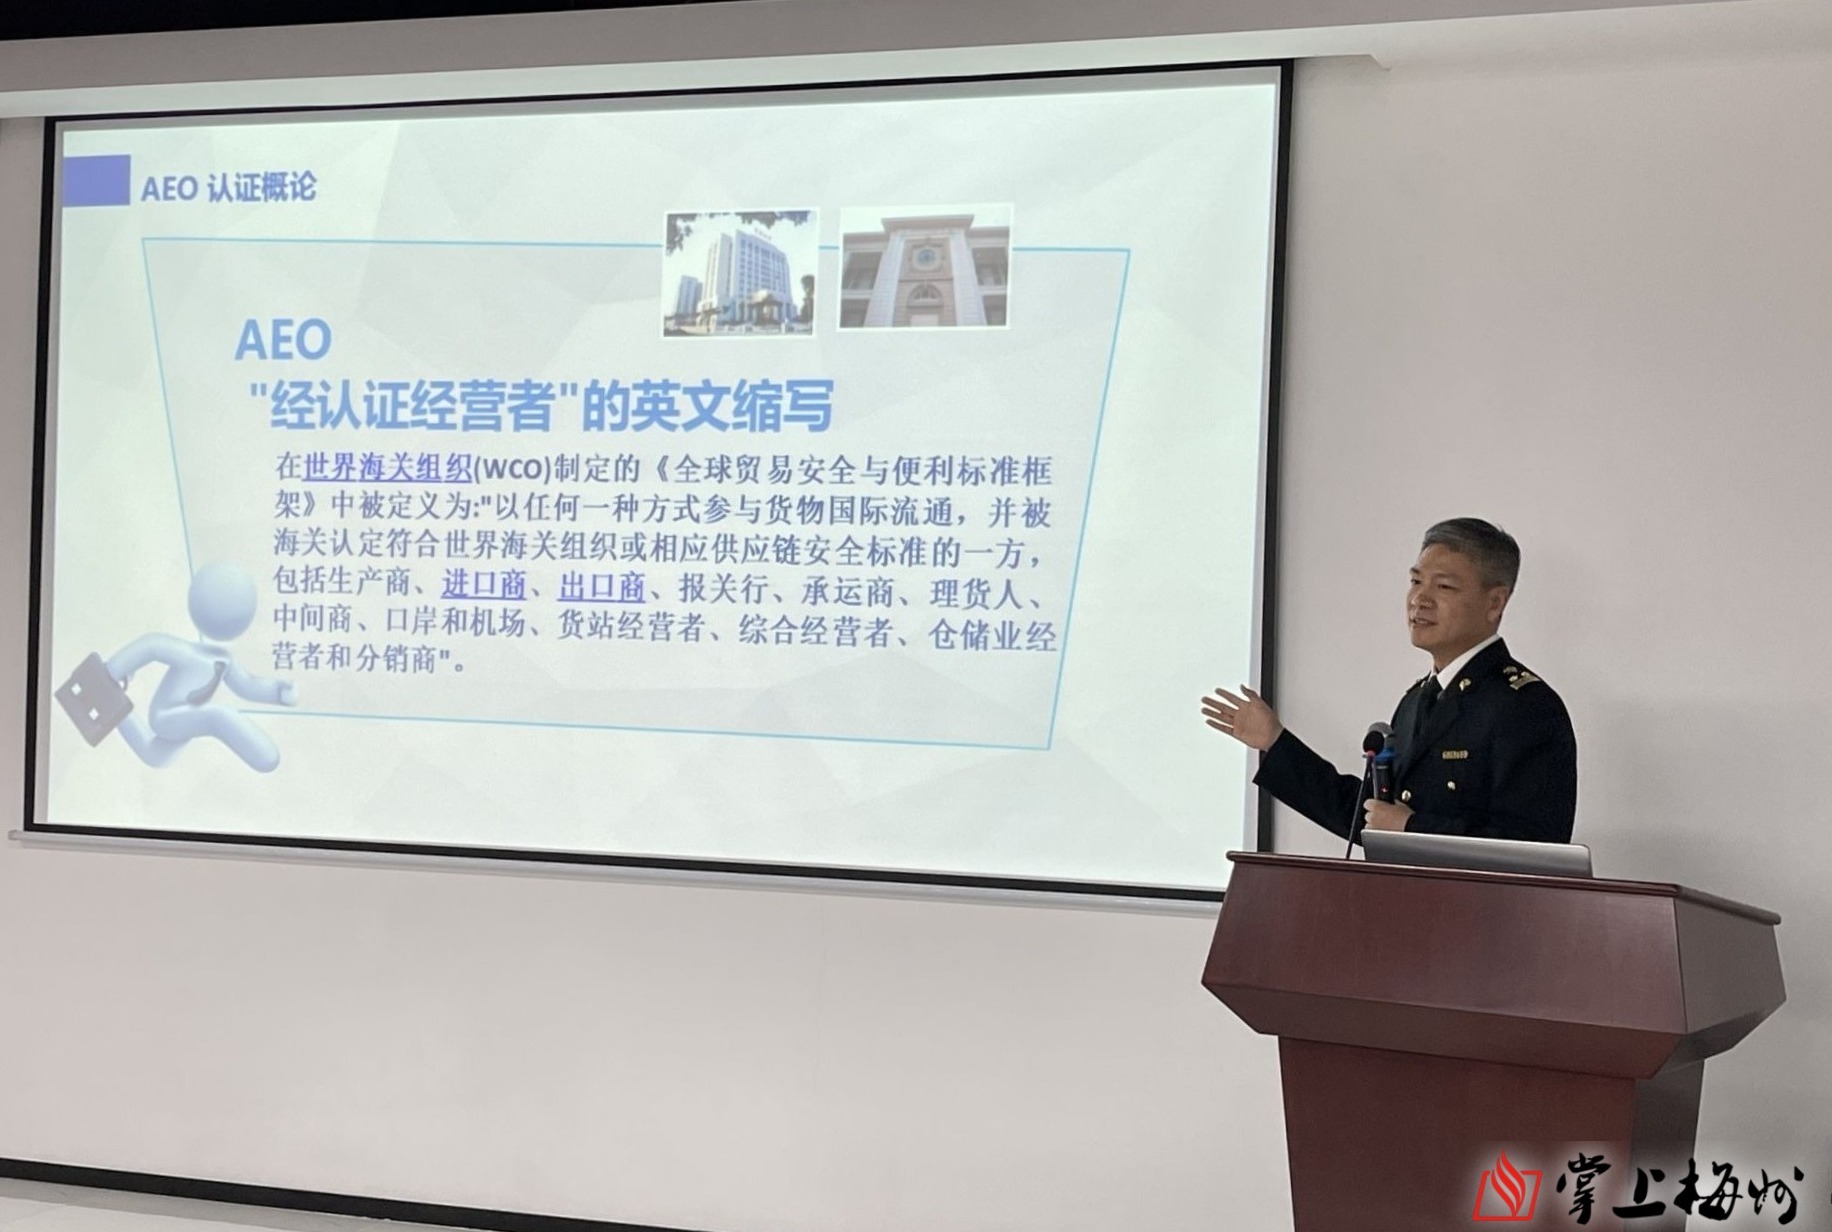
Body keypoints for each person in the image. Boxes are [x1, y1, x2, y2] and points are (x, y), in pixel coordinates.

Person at [1201, 518, 1576, 844]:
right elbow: (1373, 815)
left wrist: (1412, 828)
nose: (1419, 599)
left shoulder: (1525, 706)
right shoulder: (1417, 700)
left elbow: (1534, 846)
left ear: (1495, 603)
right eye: (1416, 581)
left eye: (1444, 587)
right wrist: (1275, 741)